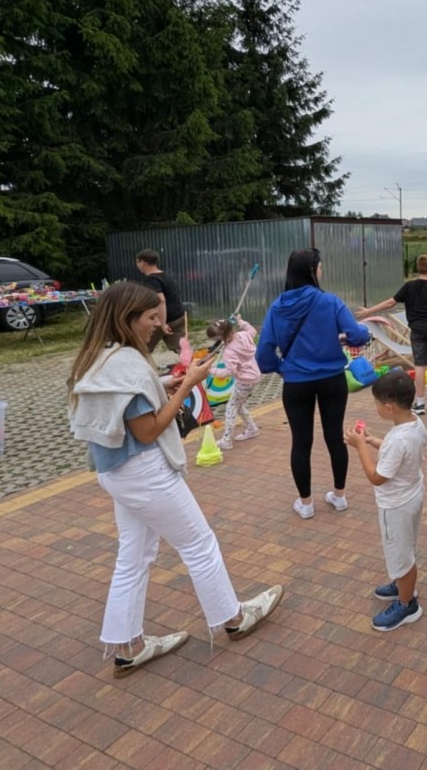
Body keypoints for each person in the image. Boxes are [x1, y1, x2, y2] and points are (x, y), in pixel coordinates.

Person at [68, 282, 283, 677]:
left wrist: (164, 383)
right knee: (199, 544)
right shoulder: (128, 363)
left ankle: (127, 646)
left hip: (114, 472)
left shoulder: (97, 359)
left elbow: (128, 402)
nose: (157, 326)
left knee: (133, 556)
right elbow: (147, 430)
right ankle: (233, 618)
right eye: (150, 318)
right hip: (145, 472)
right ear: (126, 318)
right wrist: (186, 385)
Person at [257, 248, 371, 519]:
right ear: (312, 271)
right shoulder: (330, 302)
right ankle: (339, 497)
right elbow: (356, 335)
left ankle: (305, 504)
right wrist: (362, 333)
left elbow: (263, 356)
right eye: (319, 267)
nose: (322, 271)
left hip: (296, 383)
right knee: (335, 437)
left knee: (301, 441)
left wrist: (280, 368)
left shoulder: (277, 307)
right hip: (332, 380)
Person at [343, 371, 427, 632]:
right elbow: (399, 455)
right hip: (412, 494)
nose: (376, 408)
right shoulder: (415, 425)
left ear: (388, 407)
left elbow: (377, 476)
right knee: (405, 546)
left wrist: (360, 448)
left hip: (396, 504)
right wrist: (371, 440)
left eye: (377, 404)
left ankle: (406, 603)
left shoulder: (398, 440)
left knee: (401, 554)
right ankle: (402, 585)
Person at [358, 254, 427, 415]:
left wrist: (369, 311)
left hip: (417, 330)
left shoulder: (409, 286)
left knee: (420, 365)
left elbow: (390, 302)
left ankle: (421, 402)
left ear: (418, 268)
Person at [205, 316, 262, 451]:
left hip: (244, 380)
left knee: (231, 407)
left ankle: (226, 440)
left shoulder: (229, 351)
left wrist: (210, 370)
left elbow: (229, 371)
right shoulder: (243, 335)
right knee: (238, 404)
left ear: (219, 337)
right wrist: (241, 321)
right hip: (254, 375)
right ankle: (252, 428)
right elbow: (252, 330)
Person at [135, 249, 186, 353]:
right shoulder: (165, 275)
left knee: (142, 349)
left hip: (163, 320)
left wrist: (162, 324)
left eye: (137, 262)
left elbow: (161, 300)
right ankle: (193, 367)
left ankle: (144, 368)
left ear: (143, 262)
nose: (137, 265)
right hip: (178, 316)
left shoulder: (151, 280)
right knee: (181, 348)